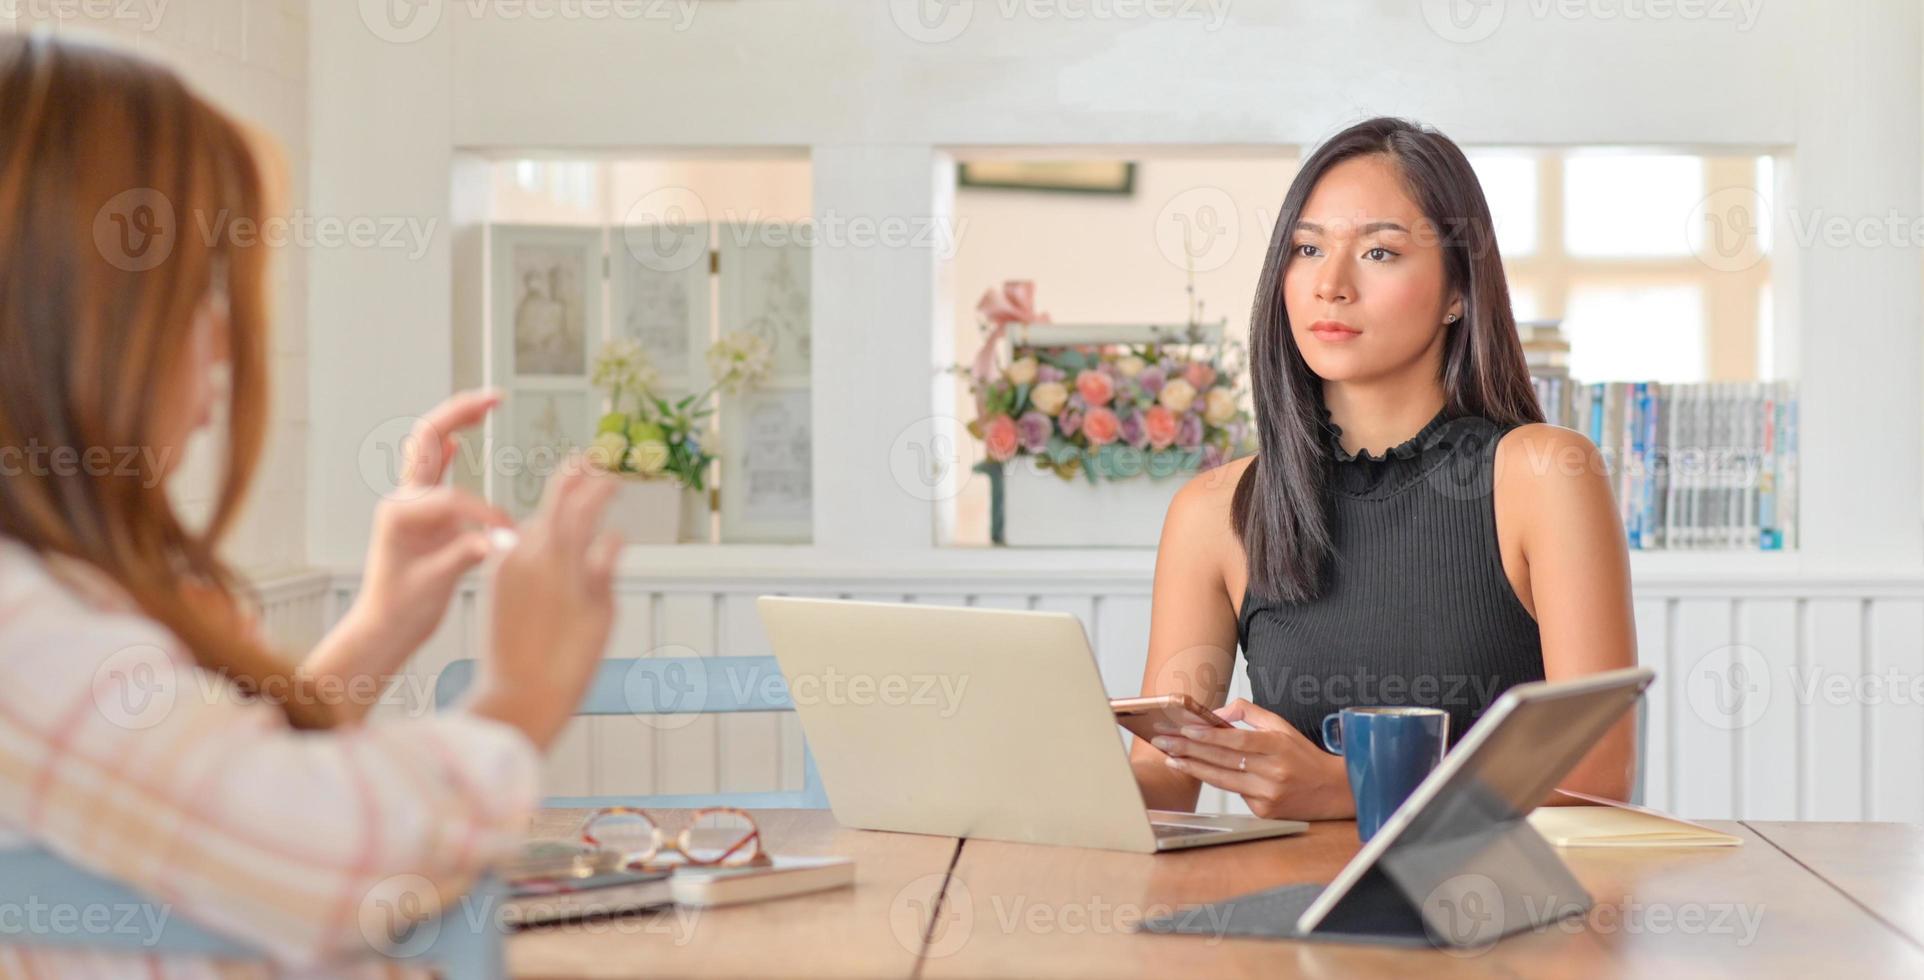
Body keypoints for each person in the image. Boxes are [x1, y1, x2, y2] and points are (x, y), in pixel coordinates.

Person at [0, 32, 622, 975]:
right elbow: (338, 858)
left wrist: (379, 622)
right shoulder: (21, 627)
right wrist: (519, 697)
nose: (223, 334)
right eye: (197, 286)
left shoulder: (60, 599)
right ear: (80, 307)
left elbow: (213, 814)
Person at [1131, 117, 1638, 819]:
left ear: (1459, 291)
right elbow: (1161, 783)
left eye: (1379, 252)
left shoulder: (1547, 475)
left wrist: (1344, 788)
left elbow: (1598, 771)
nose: (1331, 285)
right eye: (1307, 248)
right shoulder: (1212, 511)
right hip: (1288, 915)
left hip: (1500, 913)